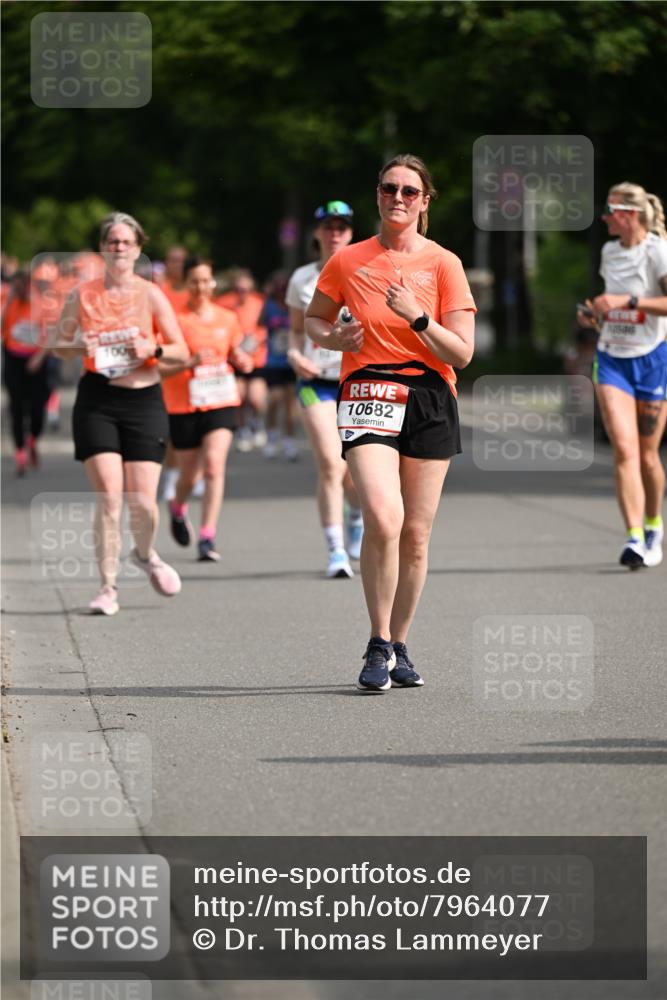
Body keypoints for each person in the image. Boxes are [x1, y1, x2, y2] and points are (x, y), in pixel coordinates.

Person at [306, 154, 476, 692]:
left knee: (418, 536)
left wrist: (418, 317)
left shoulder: (444, 264)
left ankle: (400, 643)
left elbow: (463, 353)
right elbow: (314, 319)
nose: (397, 198)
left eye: (409, 191)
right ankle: (377, 642)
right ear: (377, 195)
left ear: (425, 201)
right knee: (383, 515)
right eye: (388, 189)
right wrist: (335, 339)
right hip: (368, 388)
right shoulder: (348, 260)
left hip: (429, 393)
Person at [56, 212, 189, 615]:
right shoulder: (82, 293)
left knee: (143, 503)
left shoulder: (150, 294)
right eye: (111, 241)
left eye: (125, 242)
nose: (118, 248)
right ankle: (107, 587)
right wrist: (81, 342)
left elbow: (181, 350)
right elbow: (58, 345)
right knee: (111, 498)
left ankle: (145, 555)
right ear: (102, 248)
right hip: (97, 400)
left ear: (138, 249)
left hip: (144, 400)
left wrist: (154, 350)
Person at [578, 183, 667, 569]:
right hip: (612, 357)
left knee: (648, 455)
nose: (603, 218)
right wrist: (595, 313)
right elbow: (609, 303)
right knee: (624, 451)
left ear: (628, 214)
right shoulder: (609, 251)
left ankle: (653, 526)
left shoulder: (657, 252)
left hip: (652, 358)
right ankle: (633, 537)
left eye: (609, 211)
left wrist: (627, 301)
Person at [286, 200, 364, 578]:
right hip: (315, 382)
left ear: (351, 232)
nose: (335, 233)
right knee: (330, 464)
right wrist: (292, 355)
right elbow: (295, 332)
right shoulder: (301, 279)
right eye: (328, 227)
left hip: (357, 383)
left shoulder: (366, 270)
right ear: (316, 233)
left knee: (354, 470)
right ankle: (336, 551)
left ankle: (356, 517)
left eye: (342, 227)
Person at [160, 255, 252, 561]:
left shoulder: (227, 318)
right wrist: (188, 363)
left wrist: (243, 360)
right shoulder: (175, 321)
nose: (201, 286)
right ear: (185, 284)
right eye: (195, 281)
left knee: (214, 465)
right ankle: (177, 506)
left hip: (221, 399)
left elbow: (236, 351)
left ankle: (207, 536)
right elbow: (159, 367)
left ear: (212, 283)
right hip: (184, 404)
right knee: (190, 475)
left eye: (206, 280)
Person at [1, 269, 52, 474]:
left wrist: (39, 358)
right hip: (13, 359)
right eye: (16, 286)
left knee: (38, 408)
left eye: (23, 286)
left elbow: (51, 334)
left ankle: (32, 438)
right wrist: (8, 301)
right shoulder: (7, 301)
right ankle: (20, 453)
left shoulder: (41, 303)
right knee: (16, 408)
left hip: (36, 360)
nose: (20, 290)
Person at [217, 268, 268, 451]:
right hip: (235, 355)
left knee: (255, 397)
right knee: (238, 395)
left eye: (245, 289)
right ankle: (242, 428)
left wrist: (257, 338)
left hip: (256, 357)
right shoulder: (224, 302)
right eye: (239, 290)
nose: (242, 293)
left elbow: (267, 325)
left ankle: (257, 422)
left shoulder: (260, 302)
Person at [258, 271, 298, 460]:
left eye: (285, 287)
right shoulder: (270, 305)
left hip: (291, 360)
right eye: (279, 287)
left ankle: (289, 442)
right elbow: (259, 323)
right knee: (274, 400)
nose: (282, 290)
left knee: (290, 405)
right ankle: (272, 437)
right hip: (273, 361)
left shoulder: (294, 306)